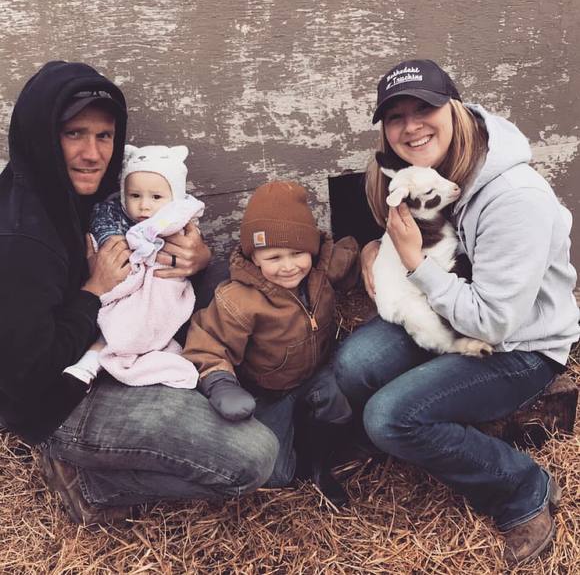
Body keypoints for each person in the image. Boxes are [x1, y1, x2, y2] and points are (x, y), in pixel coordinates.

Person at [0, 61, 278, 526]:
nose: (93, 153)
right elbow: (25, 374)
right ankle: (92, 484)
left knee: (223, 289)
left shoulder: (90, 192)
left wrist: (196, 258)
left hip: (113, 338)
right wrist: (92, 292)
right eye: (74, 134)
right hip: (60, 398)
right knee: (255, 457)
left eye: (104, 136)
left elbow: (149, 250)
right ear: (42, 135)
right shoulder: (22, 240)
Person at [333, 59, 579, 566]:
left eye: (423, 109)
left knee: (389, 417)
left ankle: (523, 489)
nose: (411, 127)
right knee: (353, 364)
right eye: (396, 116)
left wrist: (415, 263)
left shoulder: (515, 198)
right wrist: (374, 249)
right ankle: (413, 435)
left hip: (518, 345)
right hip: (446, 311)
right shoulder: (434, 170)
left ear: (455, 108)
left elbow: (493, 321)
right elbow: (410, 235)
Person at [183, 180, 359, 505]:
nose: (289, 266)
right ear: (255, 258)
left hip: (316, 372)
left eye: (297, 253)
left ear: (312, 250)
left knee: (336, 404)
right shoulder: (239, 300)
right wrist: (221, 383)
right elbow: (208, 342)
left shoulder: (319, 272)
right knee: (276, 474)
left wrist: (372, 258)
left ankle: (322, 463)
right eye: (274, 256)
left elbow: (349, 255)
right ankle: (296, 450)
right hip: (267, 391)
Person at [64, 143, 205, 389]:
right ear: (123, 194)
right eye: (135, 196)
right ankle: (96, 359)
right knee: (120, 314)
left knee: (145, 314)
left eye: (156, 197)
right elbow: (105, 239)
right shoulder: (112, 214)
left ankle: (104, 356)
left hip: (161, 283)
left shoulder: (179, 217)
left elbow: (185, 249)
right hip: (122, 279)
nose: (144, 206)